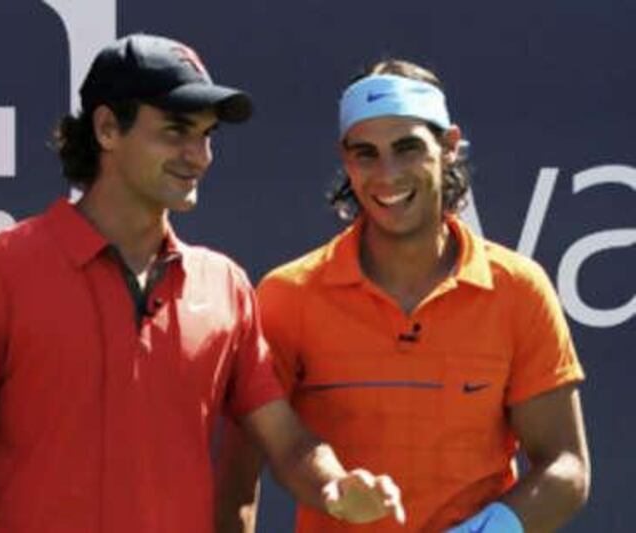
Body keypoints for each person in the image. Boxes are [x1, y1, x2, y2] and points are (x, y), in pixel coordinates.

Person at [0, 34, 405, 533]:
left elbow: (286, 441)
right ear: (106, 129)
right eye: (176, 131)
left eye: (206, 135)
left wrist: (334, 487)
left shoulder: (224, 285)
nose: (198, 155)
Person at [218, 59, 590, 532]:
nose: (387, 174)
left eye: (408, 147)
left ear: (449, 146)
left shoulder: (519, 289)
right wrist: (332, 488)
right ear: (345, 158)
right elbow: (240, 473)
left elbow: (565, 467)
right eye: (366, 153)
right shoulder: (286, 296)